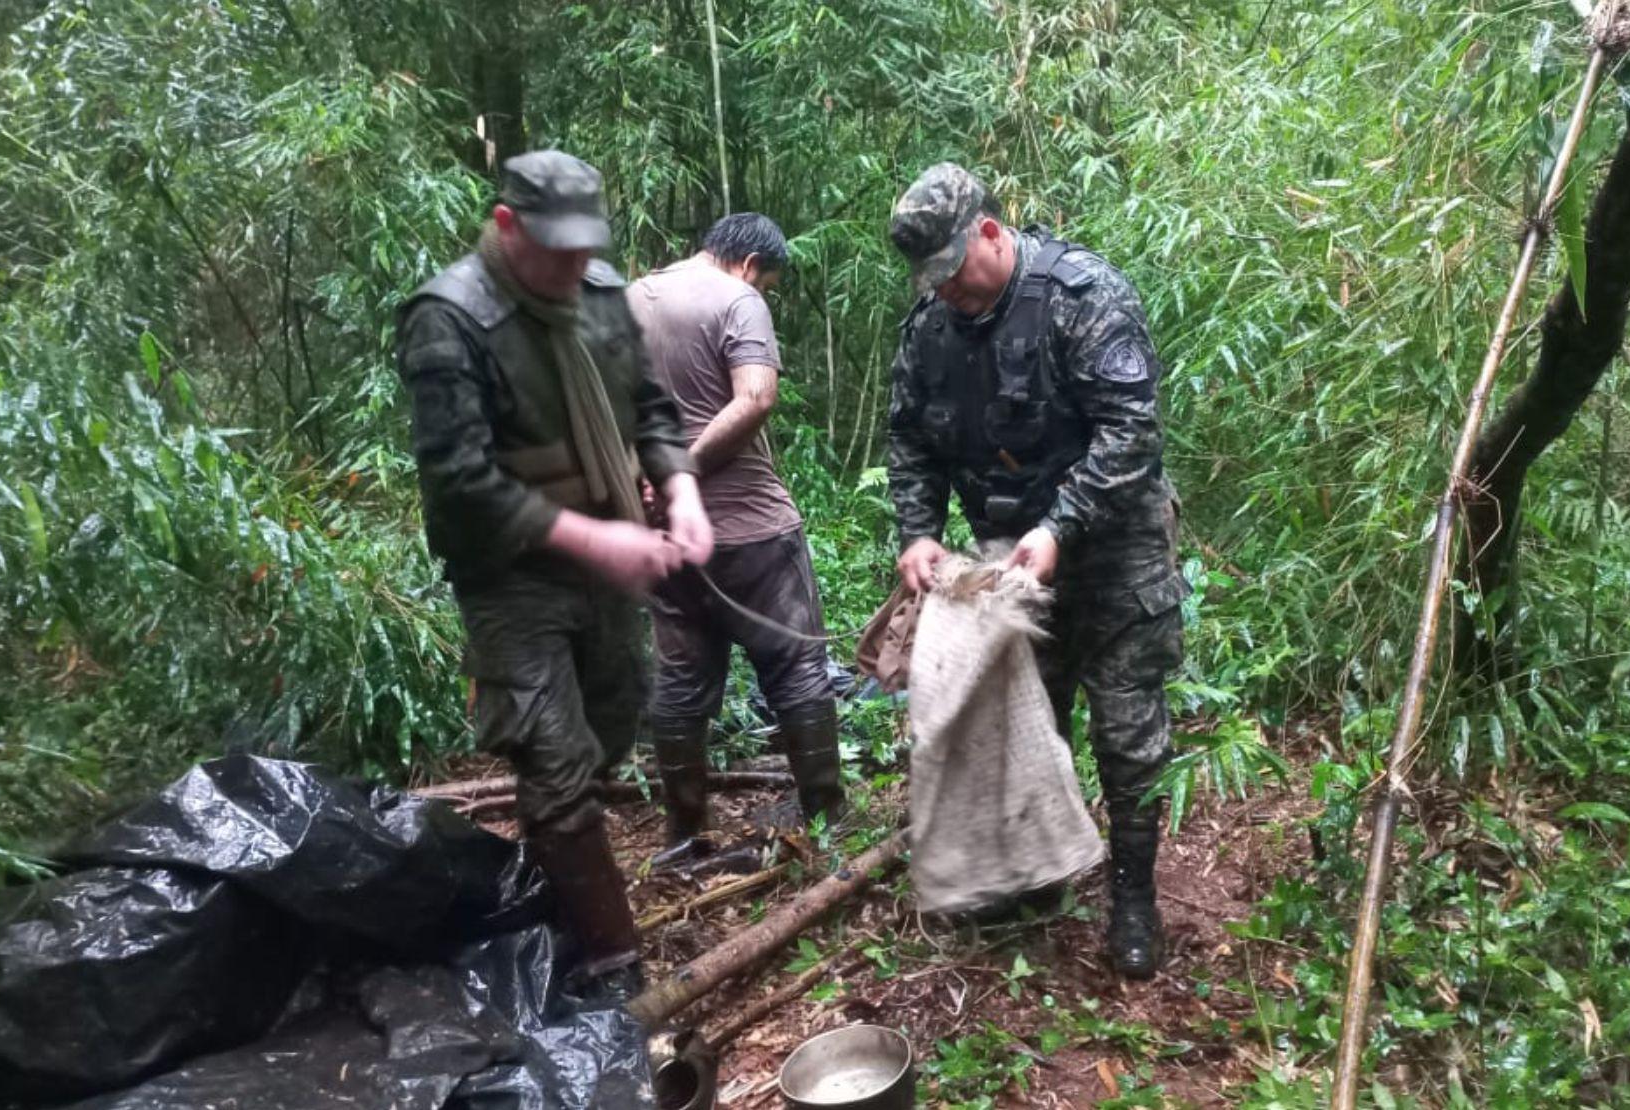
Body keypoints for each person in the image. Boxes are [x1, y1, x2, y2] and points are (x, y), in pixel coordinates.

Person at [394, 150, 713, 999]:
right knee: (554, 759)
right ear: (506, 227)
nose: (574, 268)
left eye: (585, 248)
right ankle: (608, 962)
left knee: (609, 728)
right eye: (555, 251)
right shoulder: (447, 318)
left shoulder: (602, 295)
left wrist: (680, 488)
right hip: (513, 579)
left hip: (609, 559)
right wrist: (590, 538)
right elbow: (459, 482)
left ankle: (548, 893)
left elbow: (650, 407)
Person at [884, 162, 1186, 979]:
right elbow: (909, 438)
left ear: (987, 231)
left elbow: (1130, 432)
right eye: (931, 280)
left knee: (1128, 739)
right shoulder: (929, 329)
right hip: (1010, 573)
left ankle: (1133, 901)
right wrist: (916, 531)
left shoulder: (1082, 297)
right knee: (1027, 727)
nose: (944, 291)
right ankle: (1036, 878)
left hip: (1113, 559)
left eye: (953, 272)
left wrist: (1060, 526)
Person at [626, 213, 843, 869]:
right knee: (796, 670)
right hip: (749, 529)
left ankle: (685, 838)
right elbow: (754, 399)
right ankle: (827, 824)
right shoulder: (736, 299)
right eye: (768, 283)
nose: (765, 294)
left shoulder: (630, 300)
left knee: (682, 682)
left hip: (664, 536)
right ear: (749, 265)